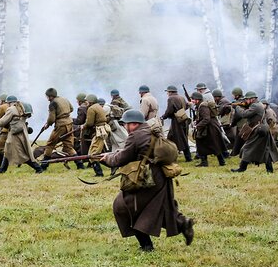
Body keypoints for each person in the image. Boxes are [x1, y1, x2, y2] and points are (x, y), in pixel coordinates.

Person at [98, 109, 195, 252]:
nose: (125, 127)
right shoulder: (150, 131)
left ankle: (147, 245)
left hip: (147, 178)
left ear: (134, 124)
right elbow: (135, 152)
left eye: (127, 124)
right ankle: (182, 223)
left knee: (125, 207)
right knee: (156, 208)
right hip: (160, 176)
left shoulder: (136, 136)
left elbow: (122, 158)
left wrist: (107, 159)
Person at [231, 91, 278, 173]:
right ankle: (269, 170)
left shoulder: (255, 106)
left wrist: (237, 107)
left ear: (252, 99)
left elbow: (244, 114)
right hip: (262, 128)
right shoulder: (257, 104)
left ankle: (242, 168)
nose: (246, 101)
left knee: (247, 147)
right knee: (265, 149)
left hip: (259, 129)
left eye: (247, 99)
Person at [0, 96, 44, 173]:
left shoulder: (11, 109)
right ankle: (2, 169)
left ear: (9, 103)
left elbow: (1, 123)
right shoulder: (21, 108)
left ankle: (38, 168)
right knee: (7, 150)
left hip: (15, 134)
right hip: (21, 131)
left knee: (21, 153)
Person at [189, 91, 226, 166]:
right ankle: (205, 162)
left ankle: (220, 162)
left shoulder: (203, 106)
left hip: (210, 127)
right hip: (208, 127)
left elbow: (206, 119)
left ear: (197, 99)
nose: (192, 101)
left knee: (214, 145)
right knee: (203, 144)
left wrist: (197, 126)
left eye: (193, 99)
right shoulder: (200, 105)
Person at [41, 88, 76, 159]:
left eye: (47, 96)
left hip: (61, 125)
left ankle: (44, 164)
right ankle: (79, 164)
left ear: (50, 96)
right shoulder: (64, 99)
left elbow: (51, 119)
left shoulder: (52, 103)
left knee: (50, 144)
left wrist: (47, 124)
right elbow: (71, 109)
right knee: (68, 145)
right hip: (69, 123)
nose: (47, 98)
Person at [80, 94, 107, 176]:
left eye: (87, 101)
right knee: (93, 152)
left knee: (93, 153)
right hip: (101, 130)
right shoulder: (98, 106)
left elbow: (90, 123)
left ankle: (100, 173)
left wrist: (83, 126)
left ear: (90, 101)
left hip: (99, 131)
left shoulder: (91, 108)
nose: (86, 102)